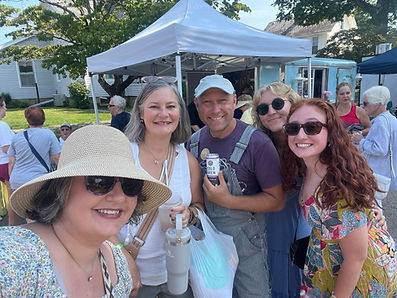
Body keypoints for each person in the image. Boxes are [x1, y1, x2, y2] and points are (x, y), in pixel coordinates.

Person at [0, 125, 171, 296]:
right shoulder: (12, 259)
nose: (119, 197)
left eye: (130, 184)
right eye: (99, 181)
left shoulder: (119, 267)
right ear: (62, 188)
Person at [281, 98, 397, 297]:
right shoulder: (309, 166)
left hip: (357, 280)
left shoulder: (337, 187)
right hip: (330, 267)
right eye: (293, 127)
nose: (301, 134)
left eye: (312, 127)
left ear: (330, 131)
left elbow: (355, 258)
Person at [187, 74, 285, 297]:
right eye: (207, 102)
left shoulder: (257, 143)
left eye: (221, 100)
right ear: (197, 105)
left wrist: (227, 200)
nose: (215, 109)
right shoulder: (192, 143)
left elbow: (277, 201)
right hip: (207, 244)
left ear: (234, 101)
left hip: (246, 246)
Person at [119, 78, 204, 298]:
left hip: (178, 272)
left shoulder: (188, 160)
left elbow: (199, 206)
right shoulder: (123, 156)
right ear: (140, 112)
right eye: (154, 107)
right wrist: (123, 259)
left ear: (180, 113)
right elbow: (99, 214)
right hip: (132, 273)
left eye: (171, 106)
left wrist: (189, 214)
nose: (163, 114)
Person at [251, 82, 311, 297]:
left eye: (277, 103)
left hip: (305, 223)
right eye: (263, 108)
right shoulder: (258, 143)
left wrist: (372, 207)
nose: (271, 112)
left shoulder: (309, 136)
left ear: (292, 103)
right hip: (273, 223)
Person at [8, 106, 61, 226]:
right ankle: (37, 237)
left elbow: (11, 161)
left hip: (17, 180)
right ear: (44, 119)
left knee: (27, 211)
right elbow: (56, 157)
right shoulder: (49, 135)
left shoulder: (17, 137)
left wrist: (12, 179)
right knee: (34, 214)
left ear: (27, 120)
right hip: (37, 180)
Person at [352, 86, 397, 206]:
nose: (363, 106)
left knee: (372, 204)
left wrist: (361, 141)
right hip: (384, 169)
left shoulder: (380, 121)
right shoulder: (391, 119)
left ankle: (375, 225)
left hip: (376, 170)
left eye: (366, 103)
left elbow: (380, 149)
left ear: (378, 104)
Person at [0, 98, 14, 200]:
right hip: (6, 164)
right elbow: (6, 148)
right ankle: (13, 216)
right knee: (12, 193)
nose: (6, 108)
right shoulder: (2, 126)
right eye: (4, 106)